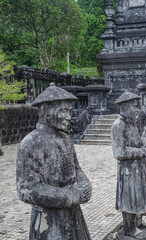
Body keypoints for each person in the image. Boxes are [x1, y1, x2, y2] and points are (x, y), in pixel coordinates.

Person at [16, 83, 92, 240]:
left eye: (70, 111)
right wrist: (70, 196)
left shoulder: (65, 139)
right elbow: (27, 189)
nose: (68, 116)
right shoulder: (32, 142)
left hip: (73, 214)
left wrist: (84, 184)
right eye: (63, 111)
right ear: (46, 111)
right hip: (49, 220)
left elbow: (76, 168)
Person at [110, 91, 146, 239]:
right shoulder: (118, 126)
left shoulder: (132, 124)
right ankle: (129, 228)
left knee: (141, 195)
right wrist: (142, 152)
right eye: (134, 106)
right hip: (128, 170)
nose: (138, 110)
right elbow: (119, 152)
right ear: (124, 106)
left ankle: (139, 222)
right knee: (129, 198)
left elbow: (140, 141)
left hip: (139, 167)